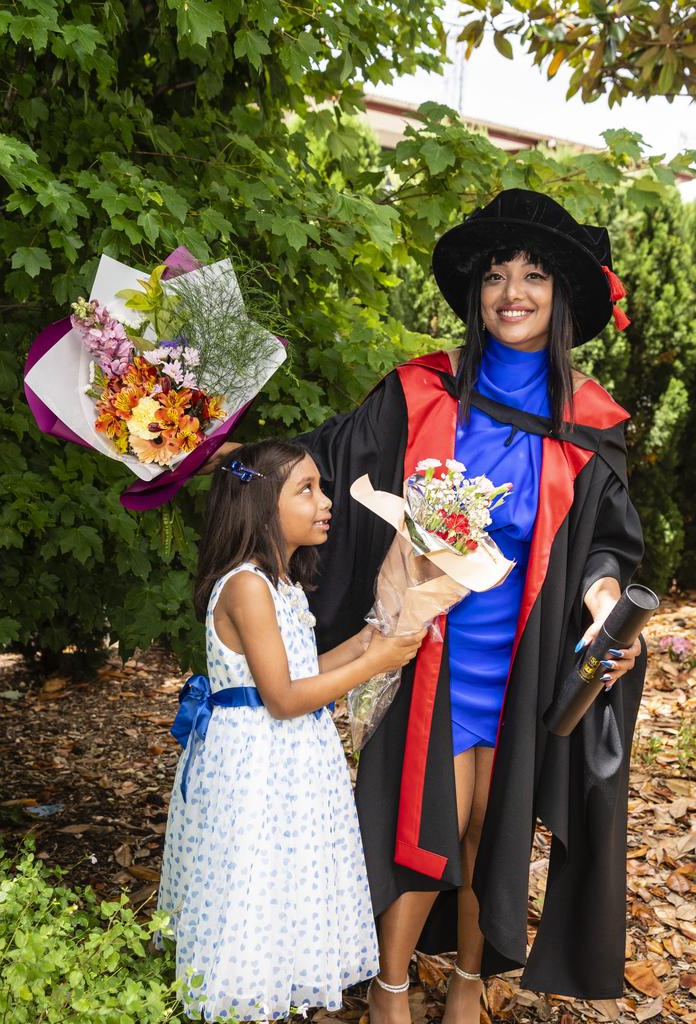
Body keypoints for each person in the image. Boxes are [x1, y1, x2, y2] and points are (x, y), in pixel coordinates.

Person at [292, 190, 646, 1022]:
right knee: (427, 829)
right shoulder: (421, 396)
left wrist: (603, 604)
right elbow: (321, 466)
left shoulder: (589, 424)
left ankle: (464, 986)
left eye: (531, 276)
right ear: (476, 293)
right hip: (432, 658)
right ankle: (388, 991)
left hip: (522, 666)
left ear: (560, 298)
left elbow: (608, 548)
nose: (511, 292)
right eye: (495, 275)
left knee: (494, 831)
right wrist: (216, 450)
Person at [156, 439, 426, 1022]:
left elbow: (305, 671)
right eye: (306, 490)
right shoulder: (247, 585)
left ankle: (272, 996)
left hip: (289, 758)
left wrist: (375, 639)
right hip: (255, 761)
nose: (324, 502)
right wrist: (374, 665)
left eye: (320, 488)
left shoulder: (280, 584)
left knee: (282, 880)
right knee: (249, 881)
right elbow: (281, 698)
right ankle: (237, 1003)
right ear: (258, 505)